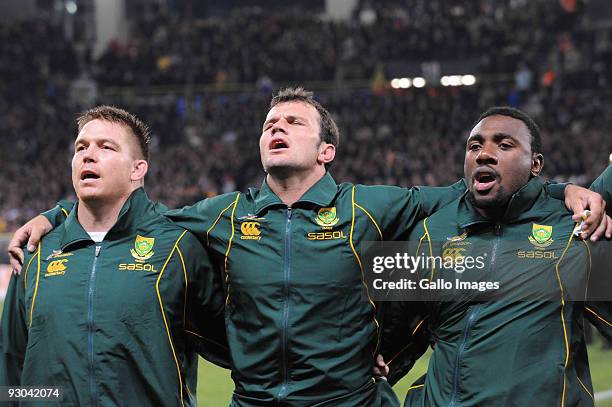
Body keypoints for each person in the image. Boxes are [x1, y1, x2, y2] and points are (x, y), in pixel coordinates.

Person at [7, 90, 610, 406]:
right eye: (270, 122)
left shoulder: (373, 206)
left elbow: (480, 186)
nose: (276, 126)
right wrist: (55, 212)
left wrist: (561, 188)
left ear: (326, 151)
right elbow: (127, 210)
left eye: (292, 121)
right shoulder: (223, 215)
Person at [379, 107, 612, 406]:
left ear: (535, 164)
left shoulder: (573, 232)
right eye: (474, 146)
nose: (484, 154)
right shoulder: (429, 232)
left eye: (504, 145)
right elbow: (389, 346)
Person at [0, 106, 227, 406]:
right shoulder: (34, 251)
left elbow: (235, 348)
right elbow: (11, 373)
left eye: (106, 147)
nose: (88, 154)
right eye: (81, 147)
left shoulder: (177, 248)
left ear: (138, 169)